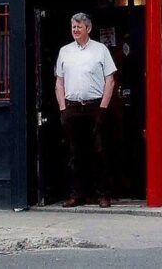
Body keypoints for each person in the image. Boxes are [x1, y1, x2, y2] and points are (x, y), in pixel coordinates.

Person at [54, 12, 117, 208]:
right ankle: (76, 194)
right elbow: (59, 82)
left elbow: (110, 80)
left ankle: (103, 194)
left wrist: (103, 108)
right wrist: (62, 108)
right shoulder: (64, 51)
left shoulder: (101, 50)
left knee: (99, 151)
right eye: (73, 26)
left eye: (79, 26)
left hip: (94, 106)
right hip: (72, 107)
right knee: (74, 153)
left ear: (88, 28)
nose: (75, 29)